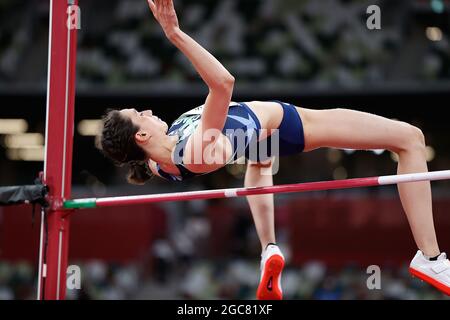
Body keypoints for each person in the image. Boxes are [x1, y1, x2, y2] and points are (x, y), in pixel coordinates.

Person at [99, 0, 450, 299]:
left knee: (259, 157)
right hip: (293, 125)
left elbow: (150, 162)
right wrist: (174, 33)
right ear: (141, 138)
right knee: (410, 139)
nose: (147, 112)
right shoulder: (192, 150)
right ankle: (430, 258)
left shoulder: (164, 156)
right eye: (139, 116)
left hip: (261, 137)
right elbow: (223, 84)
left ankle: (269, 248)